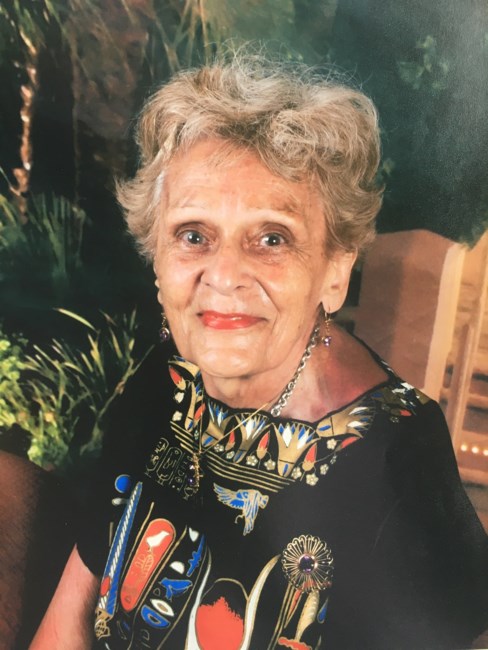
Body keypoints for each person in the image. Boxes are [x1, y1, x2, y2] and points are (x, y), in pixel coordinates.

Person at [31, 53, 488, 649]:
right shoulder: (165, 379)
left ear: (335, 271)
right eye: (194, 235)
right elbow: (72, 611)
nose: (224, 276)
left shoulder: (398, 461)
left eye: (271, 238)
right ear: (157, 260)